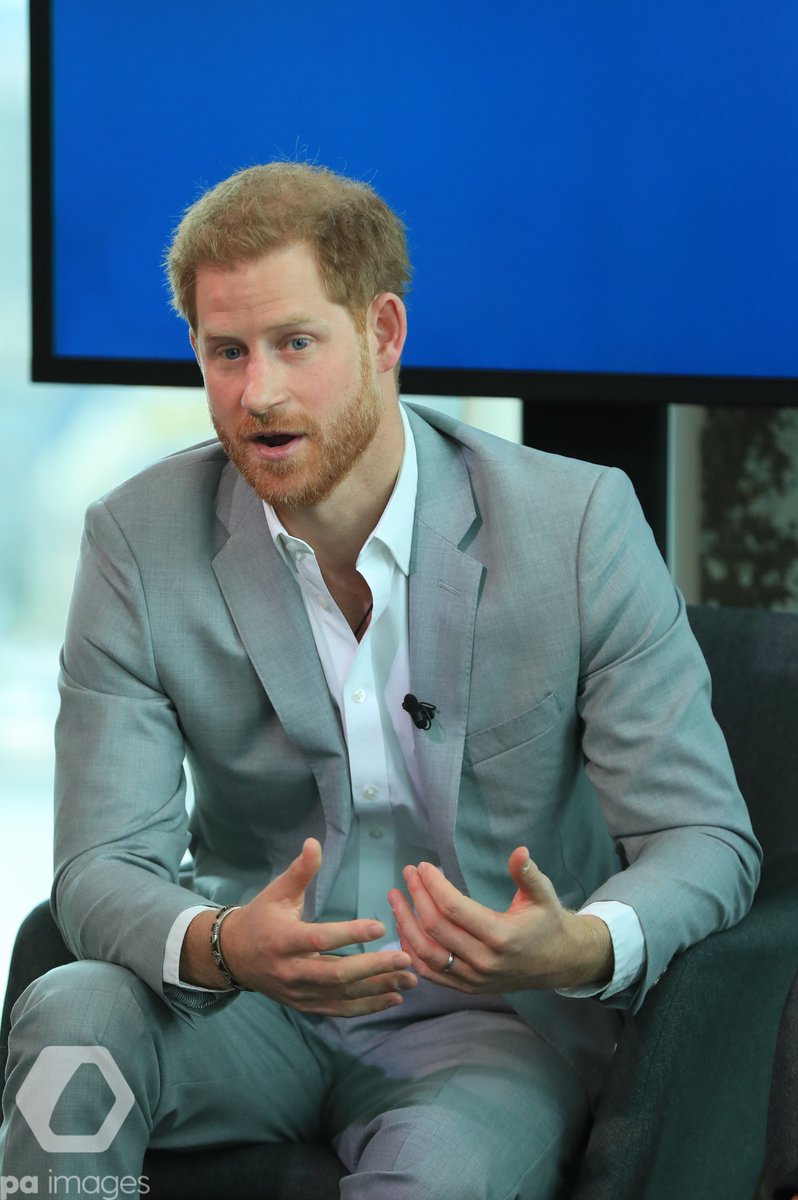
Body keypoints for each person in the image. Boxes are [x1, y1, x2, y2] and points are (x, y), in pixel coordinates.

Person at [1, 162, 761, 1199]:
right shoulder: (136, 542)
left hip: (489, 1030)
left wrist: (578, 945)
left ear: (383, 332)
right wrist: (222, 944)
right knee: (73, 1013)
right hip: (247, 1010)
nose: (257, 393)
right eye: (226, 351)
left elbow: (703, 837)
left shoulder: (576, 527)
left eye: (295, 343)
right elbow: (100, 864)